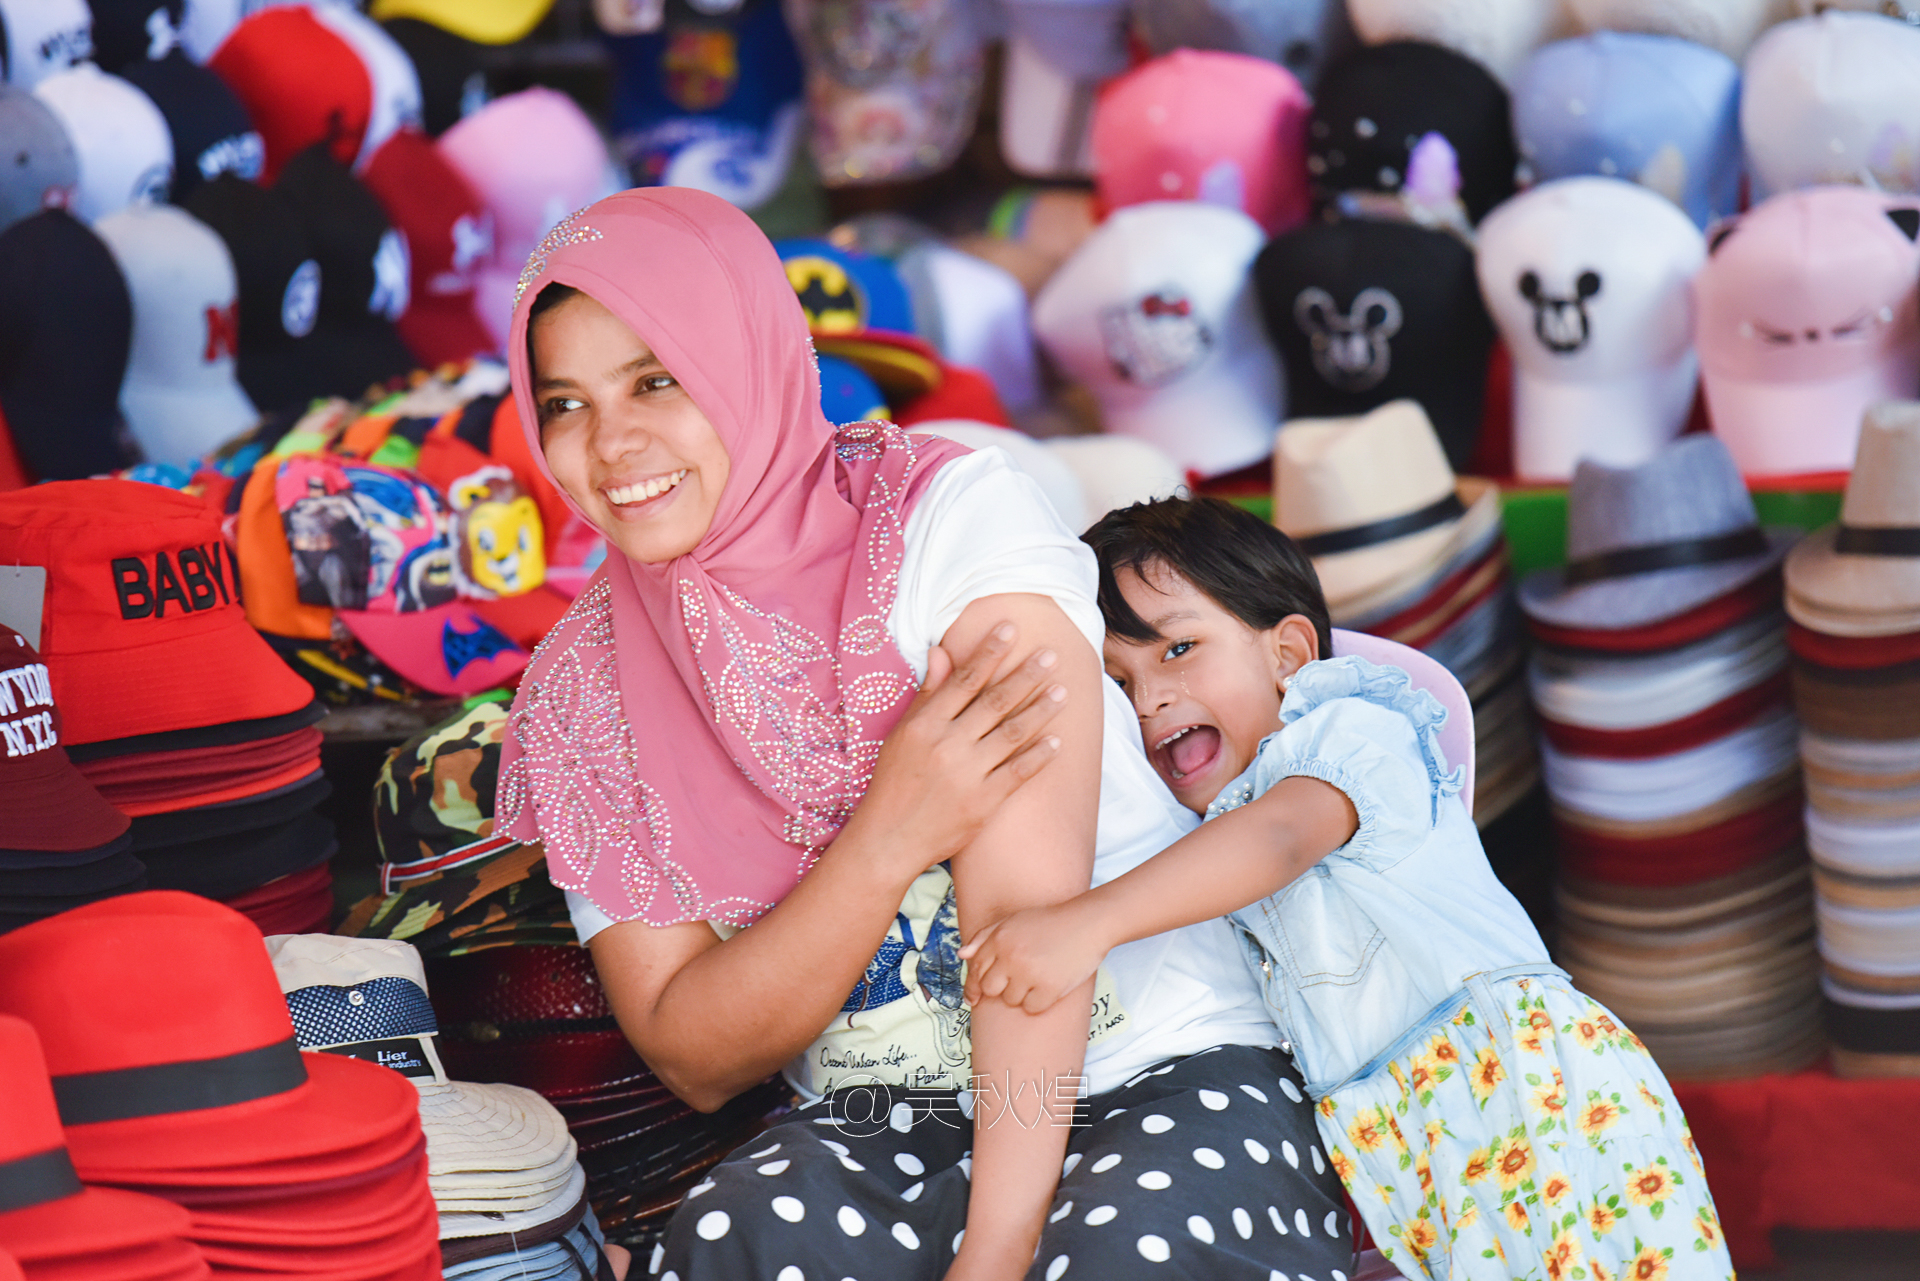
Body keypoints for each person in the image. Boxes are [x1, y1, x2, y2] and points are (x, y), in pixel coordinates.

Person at [497, 189, 1347, 1281]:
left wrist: (993, 1252)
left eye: (657, 379)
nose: (611, 445)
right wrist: (892, 831)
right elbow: (691, 1051)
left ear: (746, 358)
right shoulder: (581, 688)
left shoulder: (945, 522)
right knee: (727, 1245)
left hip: (1152, 1063)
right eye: (562, 403)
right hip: (875, 1123)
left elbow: (1027, 943)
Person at [963, 497, 1734, 1281]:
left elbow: (1281, 837)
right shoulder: (1199, 839)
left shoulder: (1347, 728)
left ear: (1289, 654)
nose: (1147, 698)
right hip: (1414, 1151)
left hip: (1530, 1098)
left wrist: (1085, 924)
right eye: (1116, 682)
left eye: (1179, 648)